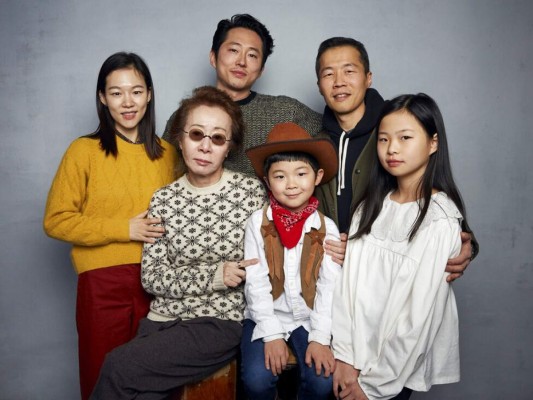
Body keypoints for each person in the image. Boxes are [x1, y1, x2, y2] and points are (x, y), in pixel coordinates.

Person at [90, 86, 266, 399]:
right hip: (161, 321)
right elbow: (153, 277)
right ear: (181, 139)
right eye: (197, 134)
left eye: (218, 138)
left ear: (229, 148)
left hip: (217, 322)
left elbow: (260, 266)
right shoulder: (163, 200)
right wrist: (215, 275)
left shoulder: (250, 194)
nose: (205, 147)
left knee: (117, 366)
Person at [43, 52, 178, 400]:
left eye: (136, 91)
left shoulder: (169, 154)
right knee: (101, 375)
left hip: (160, 283)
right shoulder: (83, 151)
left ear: (149, 93)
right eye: (116, 93)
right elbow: (56, 220)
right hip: (102, 281)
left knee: (155, 381)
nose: (127, 102)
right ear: (103, 98)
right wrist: (124, 229)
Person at [332, 93, 472, 400]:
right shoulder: (369, 207)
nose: (391, 149)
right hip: (351, 357)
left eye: (405, 137)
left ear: (433, 143)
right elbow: (347, 288)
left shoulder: (439, 218)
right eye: (383, 140)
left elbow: (418, 317)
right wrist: (343, 357)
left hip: (392, 372)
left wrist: (373, 387)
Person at [313, 37, 477, 280]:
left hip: (389, 279)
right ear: (319, 85)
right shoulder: (315, 141)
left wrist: (466, 243)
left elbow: (435, 186)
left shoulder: (397, 126)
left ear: (368, 77)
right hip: (329, 278)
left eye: (349, 71)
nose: (339, 82)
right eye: (329, 74)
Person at [241, 122, 341, 399]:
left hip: (309, 319)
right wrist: (271, 334)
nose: (292, 184)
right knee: (256, 380)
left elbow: (329, 286)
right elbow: (256, 281)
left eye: (301, 173)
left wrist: (320, 338)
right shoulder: (257, 223)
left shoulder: (327, 228)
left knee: (322, 382)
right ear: (266, 181)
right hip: (267, 315)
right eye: (280, 176)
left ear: (317, 176)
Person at [162, 13, 322, 176]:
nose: (242, 61)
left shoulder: (286, 111)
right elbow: (163, 170)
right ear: (213, 57)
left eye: (252, 55)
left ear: (261, 70)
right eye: (233, 50)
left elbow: (334, 137)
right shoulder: (185, 115)